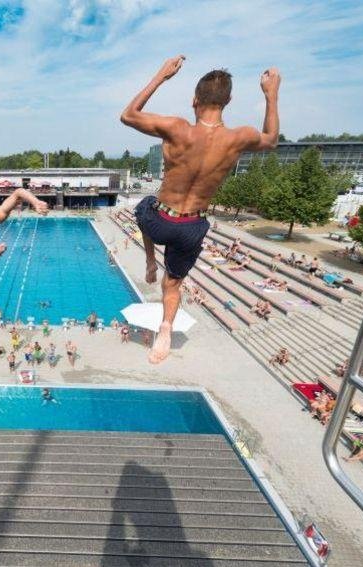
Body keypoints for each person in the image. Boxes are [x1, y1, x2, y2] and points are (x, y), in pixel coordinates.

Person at [121, 55, 280, 363]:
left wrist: (161, 75)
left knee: (143, 207)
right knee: (173, 286)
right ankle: (165, 328)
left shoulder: (178, 129)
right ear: (228, 101)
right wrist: (270, 94)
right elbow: (271, 139)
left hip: (161, 219)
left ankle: (151, 261)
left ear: (194, 99)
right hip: (191, 226)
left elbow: (128, 115)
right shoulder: (239, 137)